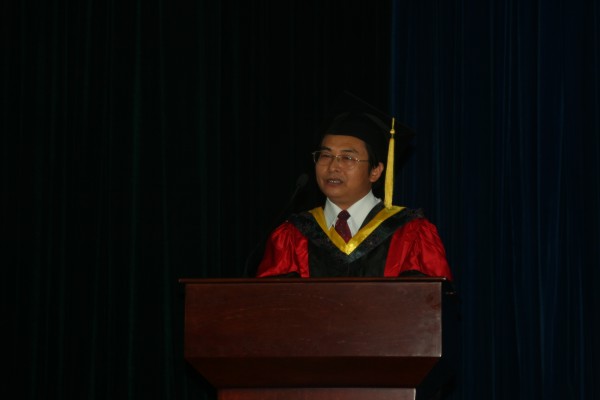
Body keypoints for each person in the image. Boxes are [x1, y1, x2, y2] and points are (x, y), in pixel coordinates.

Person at [255, 91, 453, 281]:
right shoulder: (292, 236)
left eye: (348, 158)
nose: (333, 166)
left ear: (375, 171)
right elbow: (270, 301)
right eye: (325, 155)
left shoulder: (411, 234)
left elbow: (430, 300)